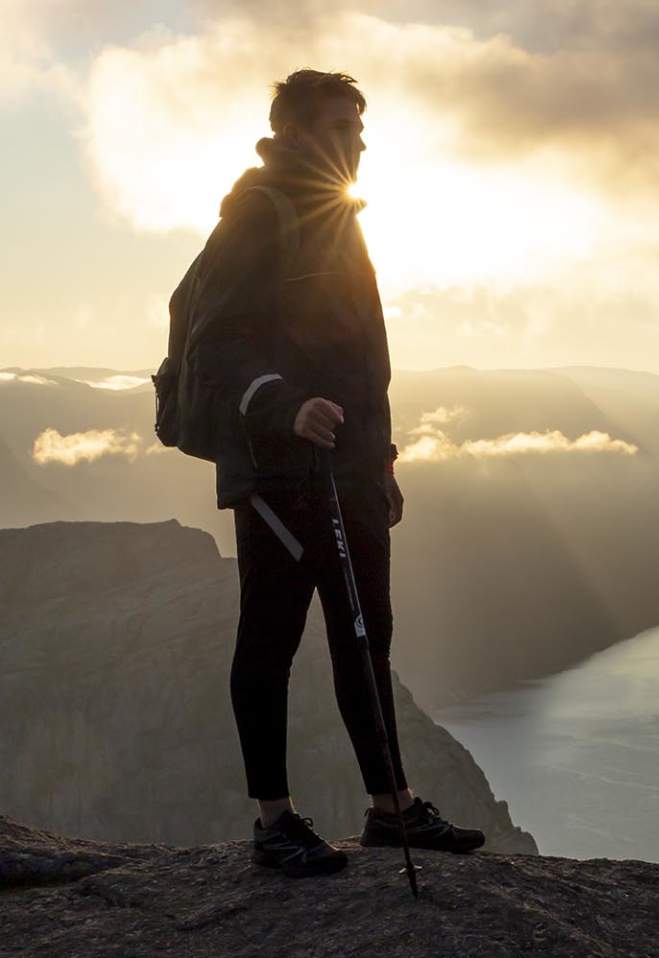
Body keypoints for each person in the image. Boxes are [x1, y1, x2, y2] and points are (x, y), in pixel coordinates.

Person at [182, 69, 484, 876]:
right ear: (296, 132)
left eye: (359, 127)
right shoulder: (260, 211)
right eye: (343, 127)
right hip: (282, 477)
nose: (357, 141)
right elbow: (216, 343)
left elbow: (363, 362)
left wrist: (380, 462)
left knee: (364, 639)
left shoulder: (341, 214)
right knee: (271, 642)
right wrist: (283, 404)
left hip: (349, 472)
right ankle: (272, 820)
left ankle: (390, 810)